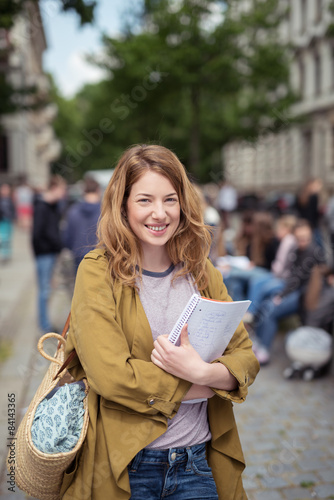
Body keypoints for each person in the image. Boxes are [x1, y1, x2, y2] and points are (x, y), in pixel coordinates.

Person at [60, 144, 259, 500]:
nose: (159, 213)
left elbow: (245, 357)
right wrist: (204, 382)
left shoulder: (202, 270)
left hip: (198, 462)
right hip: (128, 465)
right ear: (123, 204)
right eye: (144, 200)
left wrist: (204, 374)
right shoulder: (97, 271)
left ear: (183, 202)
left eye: (170, 199)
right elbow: (111, 377)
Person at [252, 219, 326, 365]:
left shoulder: (312, 251)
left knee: (271, 308)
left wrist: (281, 296)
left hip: (304, 295)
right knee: (266, 302)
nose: (302, 242)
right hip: (295, 290)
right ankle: (259, 343)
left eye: (305, 238)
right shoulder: (298, 250)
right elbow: (293, 277)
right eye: (299, 239)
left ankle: (264, 350)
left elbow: (297, 279)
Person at [244, 214, 297, 323]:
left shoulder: (287, 242)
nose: (277, 231)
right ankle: (250, 313)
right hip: (279, 275)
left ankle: (251, 313)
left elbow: (280, 265)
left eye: (279, 228)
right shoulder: (287, 241)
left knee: (257, 283)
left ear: (286, 229)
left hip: (281, 277)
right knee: (256, 282)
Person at [32, 175, 67, 333]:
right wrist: (43, 251)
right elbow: (37, 234)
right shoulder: (42, 207)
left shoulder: (53, 206)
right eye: (62, 189)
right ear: (54, 188)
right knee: (44, 289)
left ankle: (45, 321)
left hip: (51, 252)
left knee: (48, 288)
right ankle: (44, 324)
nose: (64, 193)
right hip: (44, 254)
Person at [63, 177, 101, 272]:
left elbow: (67, 237)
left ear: (84, 191)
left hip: (79, 255)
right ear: (98, 190)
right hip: (101, 256)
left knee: (80, 285)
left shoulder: (73, 211)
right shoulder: (105, 211)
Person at [0, 183, 16, 262]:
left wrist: (15, 218)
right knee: (2, 238)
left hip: (8, 221)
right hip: (2, 221)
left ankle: (6, 254)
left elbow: (13, 210)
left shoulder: (10, 200)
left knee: (7, 238)